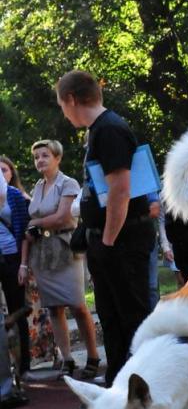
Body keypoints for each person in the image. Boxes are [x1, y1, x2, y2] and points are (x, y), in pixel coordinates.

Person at [56, 70, 155, 387]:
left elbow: (120, 190)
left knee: (131, 318)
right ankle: (118, 382)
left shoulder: (110, 129)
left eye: (62, 105)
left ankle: (142, 386)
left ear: (72, 99)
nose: (63, 112)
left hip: (122, 243)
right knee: (112, 319)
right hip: (107, 241)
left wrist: (109, 241)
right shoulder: (99, 130)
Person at [20, 139, 100, 379]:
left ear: (57, 158)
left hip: (65, 248)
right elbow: (35, 220)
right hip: (43, 252)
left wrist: (34, 224)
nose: (40, 160)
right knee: (54, 308)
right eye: (36, 157)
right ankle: (67, 359)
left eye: (45, 155)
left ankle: (93, 356)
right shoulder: (38, 186)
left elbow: (63, 217)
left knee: (77, 304)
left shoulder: (68, 183)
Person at [0, 156, 32, 376]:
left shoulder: (14, 196)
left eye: (3, 170)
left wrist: (23, 264)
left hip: (12, 259)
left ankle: (24, 367)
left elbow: (22, 232)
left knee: (17, 310)